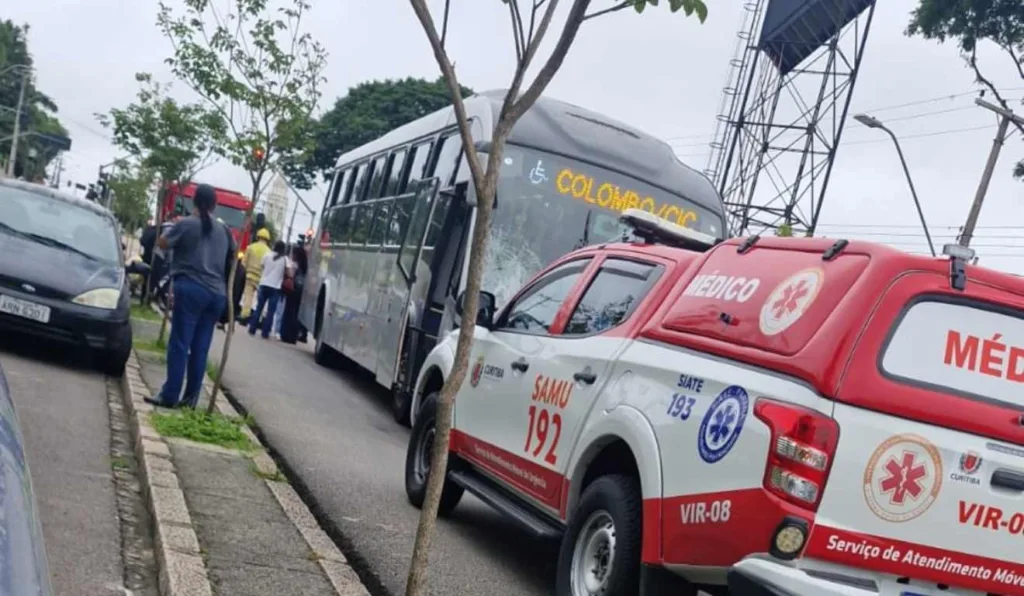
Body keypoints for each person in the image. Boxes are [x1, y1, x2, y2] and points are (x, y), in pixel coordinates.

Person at [145, 184, 235, 409]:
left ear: (194, 201)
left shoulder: (185, 224)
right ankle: (190, 400)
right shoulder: (224, 231)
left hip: (191, 289)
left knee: (180, 343)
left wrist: (172, 228)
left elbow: (162, 243)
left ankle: (170, 395)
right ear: (215, 205)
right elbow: (233, 256)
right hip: (217, 294)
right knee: (200, 347)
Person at [248, 240, 291, 339]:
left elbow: (262, 266)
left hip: (263, 284)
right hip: (275, 288)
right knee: (271, 312)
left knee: (259, 308)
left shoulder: (267, 255)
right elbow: (289, 274)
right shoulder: (285, 259)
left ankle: (252, 329)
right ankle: (265, 333)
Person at [241, 228, 271, 321]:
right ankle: (258, 318)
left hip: (249, 276)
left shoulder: (250, 247)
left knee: (248, 297)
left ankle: (245, 315)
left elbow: (243, 262)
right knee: (260, 300)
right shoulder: (269, 252)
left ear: (258, 237)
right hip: (261, 279)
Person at [279, 245, 308, 344]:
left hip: (292, 290)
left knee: (288, 313)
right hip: (300, 293)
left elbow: (290, 275)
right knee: (295, 314)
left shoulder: (294, 265)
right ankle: (292, 336)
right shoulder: (305, 266)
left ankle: (285, 335)